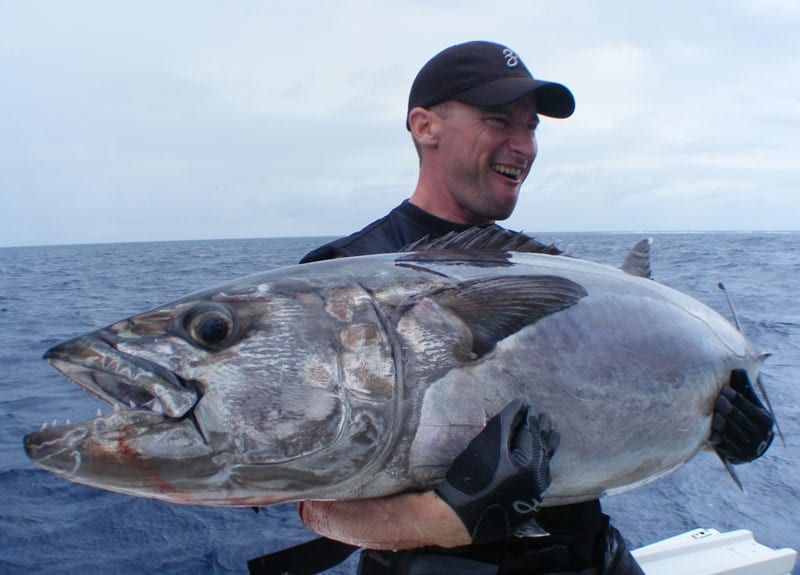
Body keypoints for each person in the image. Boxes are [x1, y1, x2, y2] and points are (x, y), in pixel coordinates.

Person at [280, 41, 774, 575]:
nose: (524, 146)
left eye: (532, 128)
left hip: (593, 558)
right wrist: (451, 517)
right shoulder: (341, 277)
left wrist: (721, 431)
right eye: (498, 121)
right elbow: (313, 499)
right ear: (425, 126)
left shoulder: (553, 271)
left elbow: (626, 399)